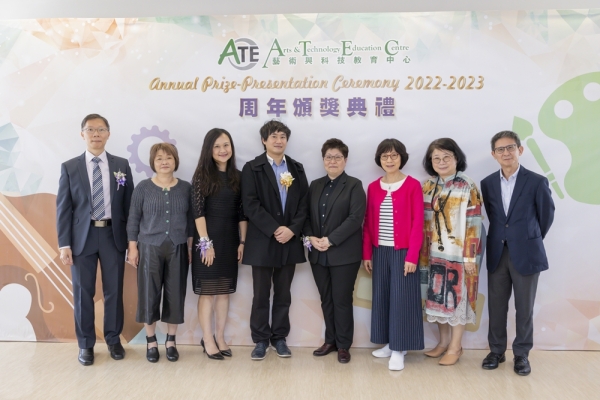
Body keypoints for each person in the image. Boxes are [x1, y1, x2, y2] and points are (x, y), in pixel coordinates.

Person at [56, 114, 134, 366]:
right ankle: (85, 344)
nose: (96, 134)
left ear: (108, 134)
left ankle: (113, 339)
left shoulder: (121, 165)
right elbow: (63, 209)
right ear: (82, 134)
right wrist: (64, 244)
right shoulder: (70, 167)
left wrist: (132, 241)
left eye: (101, 129)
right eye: (90, 129)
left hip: (113, 236)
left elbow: (130, 205)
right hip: (82, 238)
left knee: (114, 291)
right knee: (83, 293)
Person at [480, 131, 554, 376]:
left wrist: (527, 239)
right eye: (500, 149)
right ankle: (496, 351)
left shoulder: (536, 181)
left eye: (510, 147)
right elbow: (494, 217)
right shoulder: (487, 183)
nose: (506, 153)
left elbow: (545, 217)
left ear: (520, 150)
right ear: (494, 154)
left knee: (524, 308)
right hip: (497, 252)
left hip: (527, 253)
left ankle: (521, 354)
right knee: (496, 306)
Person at [241, 120, 309, 360]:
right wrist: (274, 228)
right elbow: (250, 204)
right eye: (273, 136)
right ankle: (260, 340)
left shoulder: (297, 168)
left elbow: (304, 203)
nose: (278, 141)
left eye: (282, 136)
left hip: (289, 240)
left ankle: (279, 338)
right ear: (264, 140)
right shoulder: (252, 168)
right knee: (260, 294)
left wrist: (292, 229)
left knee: (283, 294)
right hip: (262, 240)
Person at [126, 143, 193, 363]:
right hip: (149, 247)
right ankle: (151, 340)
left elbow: (191, 221)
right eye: (159, 158)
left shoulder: (185, 188)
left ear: (176, 161)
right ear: (153, 162)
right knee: (149, 294)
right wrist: (133, 247)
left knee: (175, 294)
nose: (164, 162)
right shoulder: (143, 188)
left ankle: (171, 341)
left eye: (169, 158)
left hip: (178, 246)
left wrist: (190, 247)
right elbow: (133, 219)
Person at [419, 138, 483, 366]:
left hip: (459, 255)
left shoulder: (467, 185)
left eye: (447, 157)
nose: (441, 162)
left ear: (457, 158)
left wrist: (469, 257)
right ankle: (443, 343)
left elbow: (474, 222)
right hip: (431, 254)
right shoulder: (428, 185)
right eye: (436, 158)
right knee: (437, 299)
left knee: (456, 299)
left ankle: (456, 347)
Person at [363, 139, 424, 371]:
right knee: (382, 298)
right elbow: (367, 223)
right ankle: (390, 343)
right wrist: (367, 254)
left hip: (403, 252)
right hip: (380, 251)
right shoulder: (373, 187)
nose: (389, 160)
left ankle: (399, 349)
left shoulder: (412, 185)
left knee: (401, 300)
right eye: (385, 156)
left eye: (394, 155)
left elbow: (418, 223)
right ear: (379, 160)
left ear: (402, 158)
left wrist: (412, 256)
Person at [303, 139, 366, 364]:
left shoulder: (354, 185)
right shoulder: (315, 185)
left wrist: (330, 240)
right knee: (326, 299)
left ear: (345, 160)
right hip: (318, 253)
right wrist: (310, 237)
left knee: (341, 300)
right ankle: (330, 340)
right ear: (323, 160)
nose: (332, 161)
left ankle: (343, 345)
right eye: (328, 157)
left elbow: (355, 219)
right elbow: (305, 216)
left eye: (337, 157)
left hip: (344, 255)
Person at [191, 128, 248, 360]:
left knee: (224, 292)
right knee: (207, 293)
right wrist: (206, 243)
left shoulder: (238, 176)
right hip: (208, 241)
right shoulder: (201, 176)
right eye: (216, 146)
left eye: (226, 145)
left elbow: (242, 213)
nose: (222, 150)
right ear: (209, 150)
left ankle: (220, 337)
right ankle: (207, 338)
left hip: (230, 241)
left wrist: (242, 242)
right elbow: (198, 212)